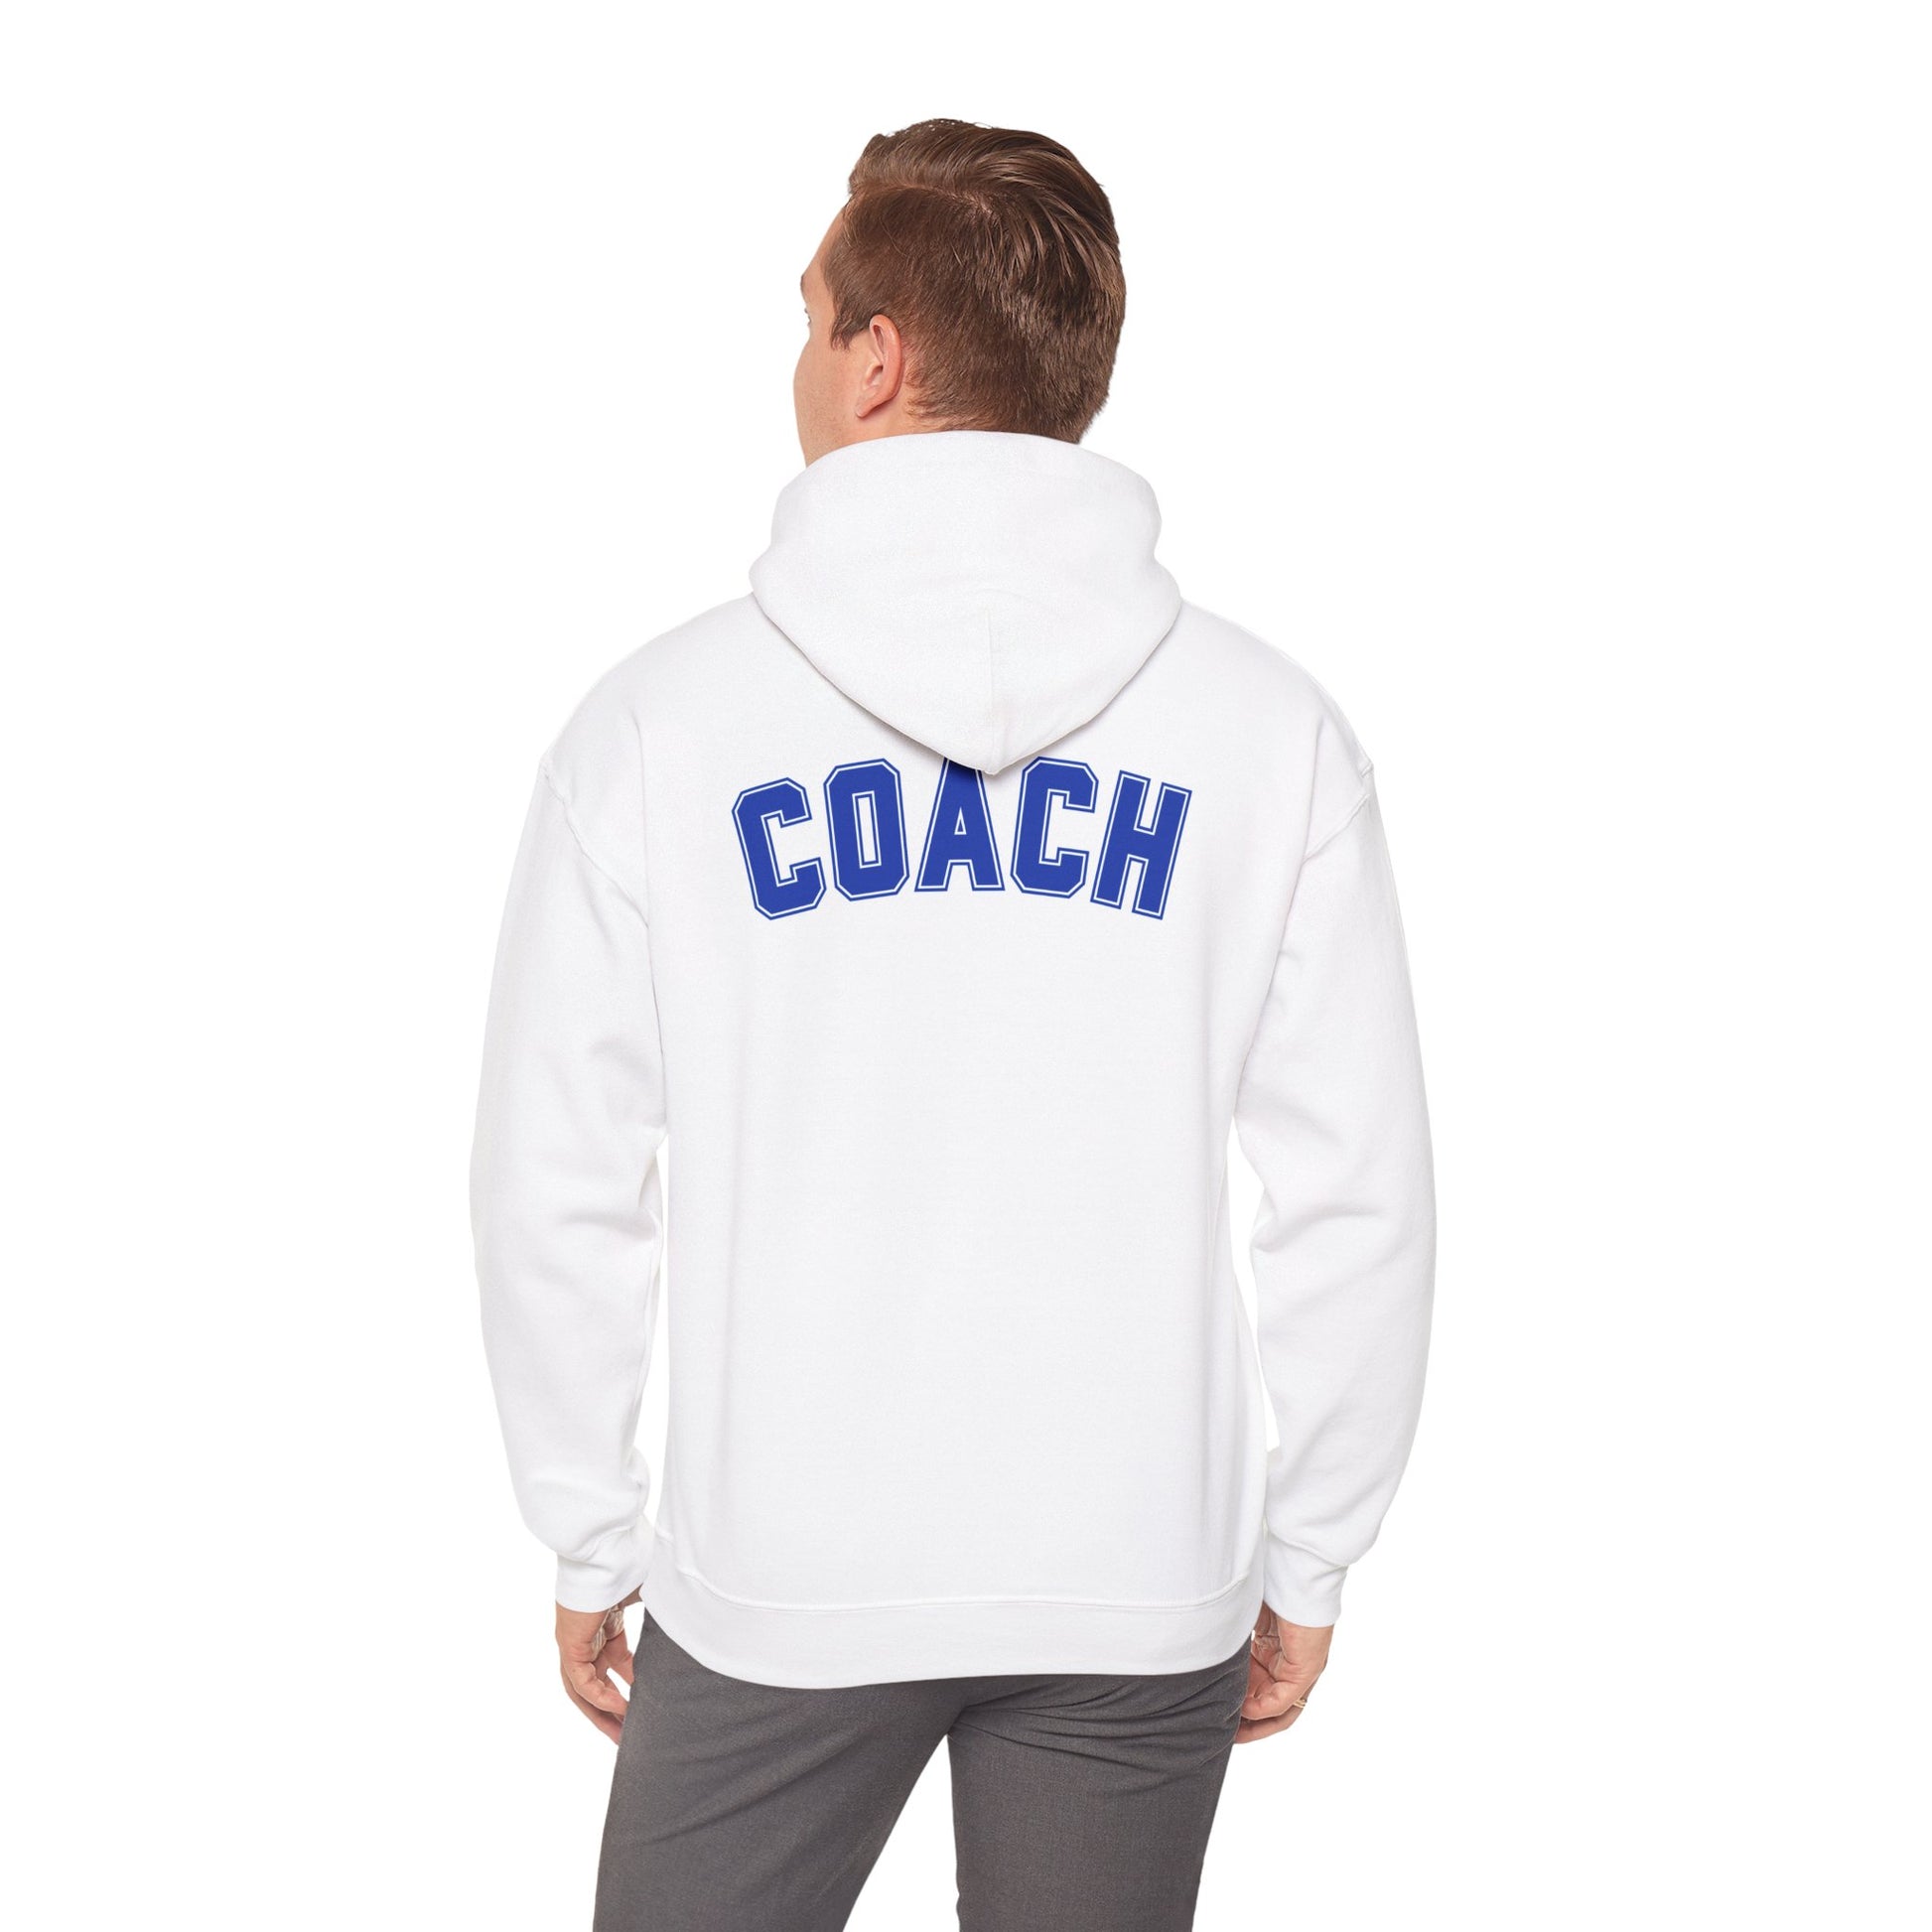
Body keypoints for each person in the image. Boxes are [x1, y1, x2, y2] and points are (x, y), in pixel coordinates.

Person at [473, 117, 1435, 1932]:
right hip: (1133, 1567)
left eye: (806, 318)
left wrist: (587, 1521)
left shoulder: (660, 726)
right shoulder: (1266, 730)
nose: (795, 361)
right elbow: (1356, 1190)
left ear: (876, 356)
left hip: (781, 1569)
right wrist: (1310, 1547)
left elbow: (559, 1175)